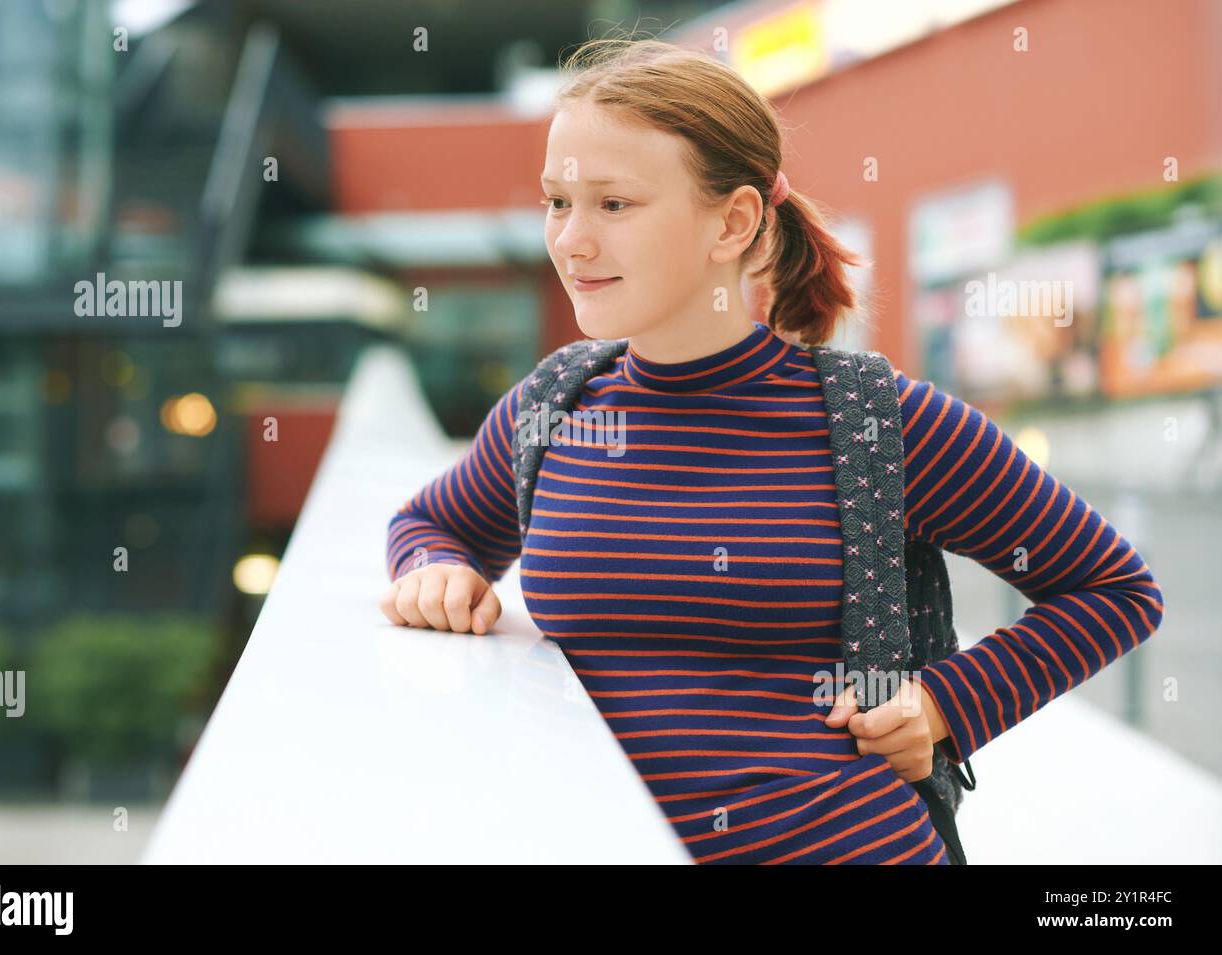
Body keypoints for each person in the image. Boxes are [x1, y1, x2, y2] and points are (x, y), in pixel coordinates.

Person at [379, 37, 1165, 864]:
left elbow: (1113, 588)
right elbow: (432, 521)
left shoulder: (876, 421)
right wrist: (434, 566)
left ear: (736, 219)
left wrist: (943, 706)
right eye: (556, 201)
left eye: (613, 205)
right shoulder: (555, 403)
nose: (570, 240)